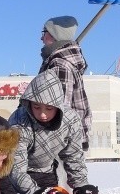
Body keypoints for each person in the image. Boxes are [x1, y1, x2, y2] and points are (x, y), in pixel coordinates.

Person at [39, 16, 91, 151]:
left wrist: (47, 139)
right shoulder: (60, 61)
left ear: (54, 34)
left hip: (61, 140)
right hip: (67, 138)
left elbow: (61, 107)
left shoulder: (60, 65)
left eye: (43, 32)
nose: (41, 38)